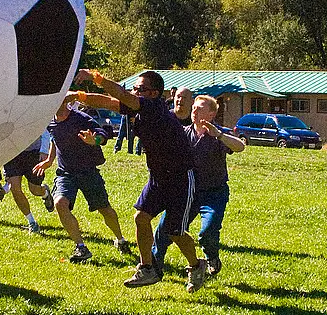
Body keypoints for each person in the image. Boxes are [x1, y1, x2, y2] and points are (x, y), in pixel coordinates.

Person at [72, 69, 207, 293]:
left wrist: (96, 77)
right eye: (134, 88)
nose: (134, 92)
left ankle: (196, 265)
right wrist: (77, 97)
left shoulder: (154, 108)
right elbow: (109, 102)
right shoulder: (139, 107)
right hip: (158, 177)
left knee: (175, 231)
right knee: (141, 217)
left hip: (181, 178)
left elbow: (120, 96)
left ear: (154, 93)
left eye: (140, 89)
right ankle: (147, 269)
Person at [152, 94, 244, 278]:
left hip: (213, 193)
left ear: (211, 114)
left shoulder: (220, 133)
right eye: (194, 107)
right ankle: (153, 266)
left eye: (200, 108)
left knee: (208, 231)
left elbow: (240, 147)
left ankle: (212, 258)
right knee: (165, 230)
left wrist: (218, 135)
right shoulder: (184, 132)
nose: (194, 110)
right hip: (187, 193)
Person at [34, 98, 129, 263]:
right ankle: (81, 247)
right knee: (60, 203)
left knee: (105, 209)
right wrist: (49, 160)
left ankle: (120, 239)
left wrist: (95, 141)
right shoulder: (51, 122)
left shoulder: (81, 118)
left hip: (88, 172)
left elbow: (103, 134)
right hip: (66, 173)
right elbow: (54, 139)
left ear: (65, 102)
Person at [2, 131, 55, 234]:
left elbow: (44, 130)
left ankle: (45, 192)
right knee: (14, 187)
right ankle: (31, 222)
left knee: (34, 190)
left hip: (33, 153)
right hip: (12, 153)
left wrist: (44, 151)